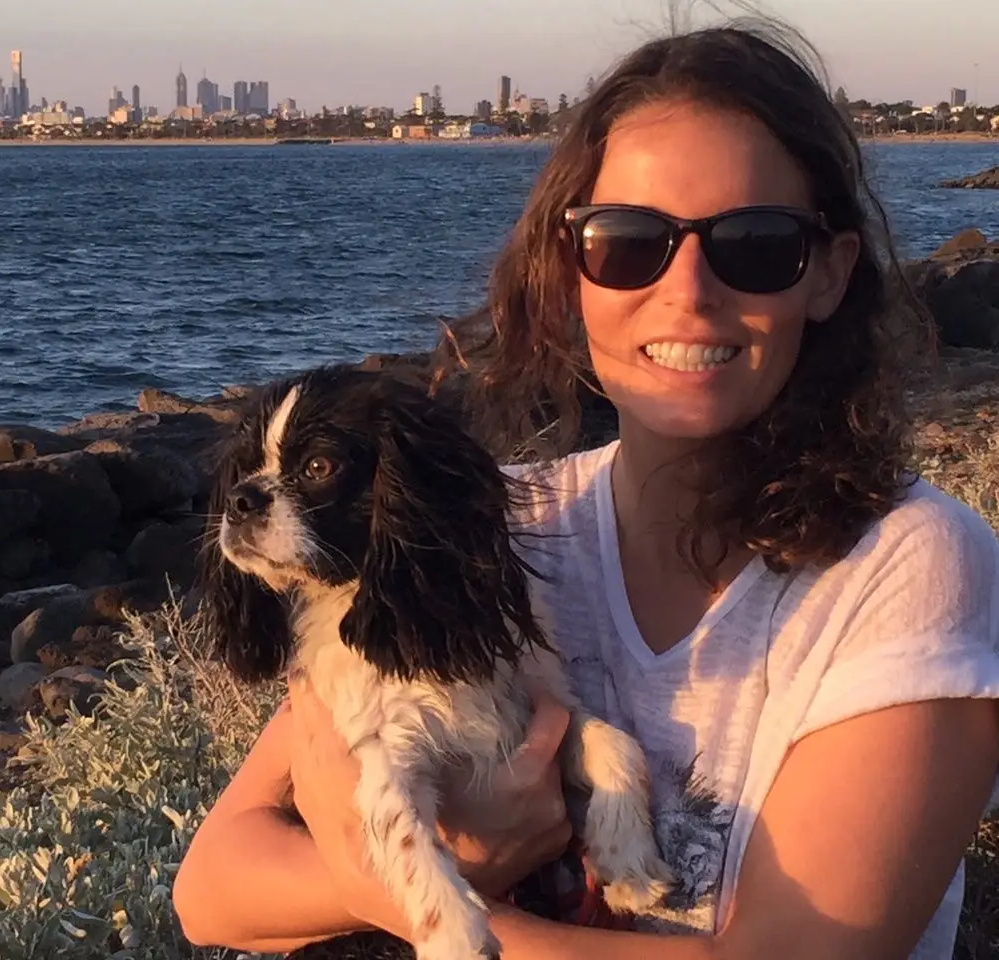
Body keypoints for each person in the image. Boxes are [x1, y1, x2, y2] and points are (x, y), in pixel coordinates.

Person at [171, 18, 999, 960]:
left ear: (828, 274)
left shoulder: (905, 567)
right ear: (569, 272)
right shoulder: (488, 528)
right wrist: (452, 872)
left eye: (757, 244)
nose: (688, 290)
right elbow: (213, 888)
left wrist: (439, 910)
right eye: (628, 241)